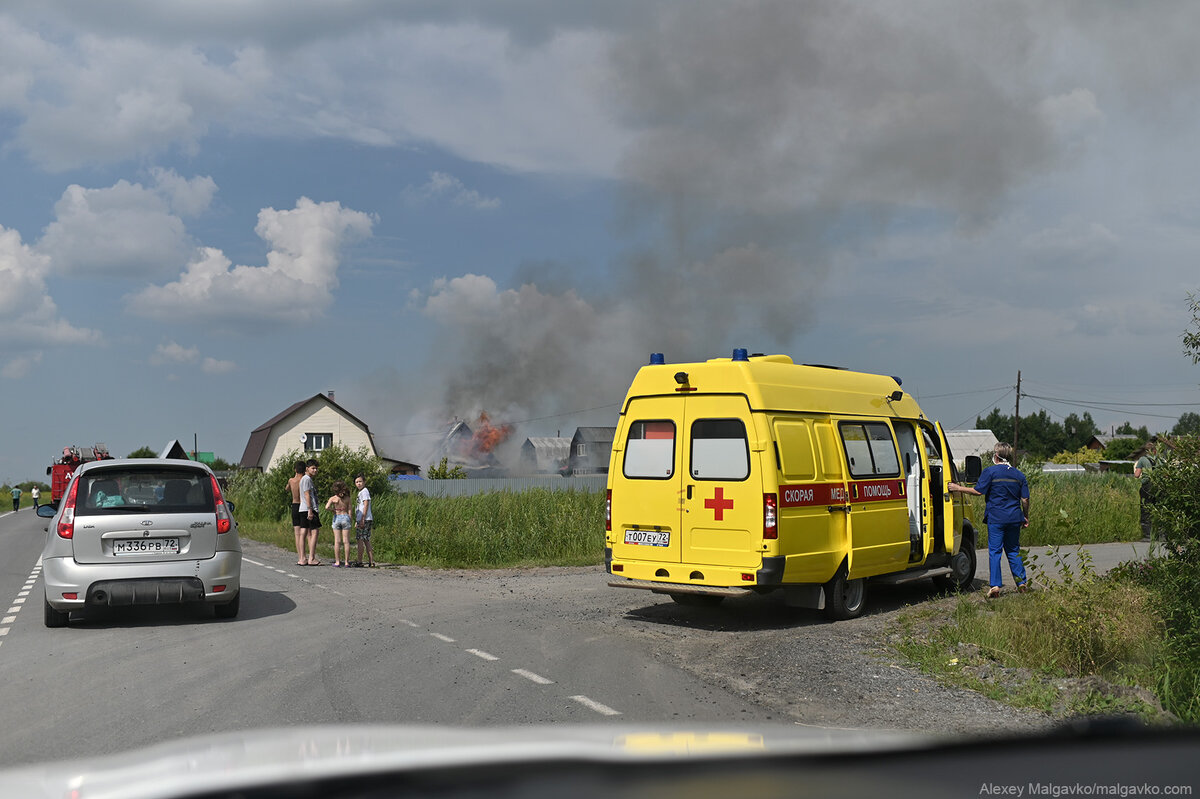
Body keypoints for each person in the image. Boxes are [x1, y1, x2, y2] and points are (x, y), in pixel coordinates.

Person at [948, 442, 1030, 598]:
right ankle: (1022, 583)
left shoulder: (990, 472)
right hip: (1014, 518)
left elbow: (978, 491)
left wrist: (958, 488)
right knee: (1013, 551)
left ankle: (995, 586)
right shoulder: (1019, 475)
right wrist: (1025, 516)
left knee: (995, 551)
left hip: (996, 517)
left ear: (997, 456)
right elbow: (1025, 499)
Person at [298, 459, 321, 565]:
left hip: (303, 508)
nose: (315, 470)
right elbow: (307, 494)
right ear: (307, 468)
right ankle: (311, 557)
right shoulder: (307, 479)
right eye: (313, 468)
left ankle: (302, 558)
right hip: (308, 508)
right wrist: (310, 510)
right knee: (314, 532)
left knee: (305, 533)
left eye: (316, 468)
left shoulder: (303, 479)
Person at [1134, 439, 1158, 542]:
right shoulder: (1159, 460)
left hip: (1147, 486)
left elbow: (1137, 475)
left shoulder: (1142, 459)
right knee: (1159, 509)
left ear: (1145, 451)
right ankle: (1162, 535)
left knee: (1145, 510)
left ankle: (1148, 536)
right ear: (1154, 451)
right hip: (1159, 487)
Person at [325, 480, 353, 567]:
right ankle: (346, 562)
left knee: (337, 541)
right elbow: (350, 510)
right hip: (345, 516)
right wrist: (350, 518)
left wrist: (333, 510)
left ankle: (337, 561)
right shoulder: (347, 498)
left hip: (337, 517)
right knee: (346, 541)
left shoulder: (333, 498)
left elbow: (326, 507)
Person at [287, 461, 307, 566]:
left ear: (295, 470)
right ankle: (304, 556)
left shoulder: (291, 480)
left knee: (297, 533)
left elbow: (287, 489)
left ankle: (300, 556)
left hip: (294, 505)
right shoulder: (304, 480)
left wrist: (294, 476)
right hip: (303, 505)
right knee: (305, 533)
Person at [354, 473, 375, 568]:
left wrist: (362, 519)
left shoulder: (364, 492)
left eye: (360, 481)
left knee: (360, 539)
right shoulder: (361, 492)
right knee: (366, 539)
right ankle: (371, 562)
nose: (358, 484)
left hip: (364, 519)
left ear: (364, 482)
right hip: (363, 518)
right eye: (357, 482)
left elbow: (365, 505)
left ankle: (360, 561)